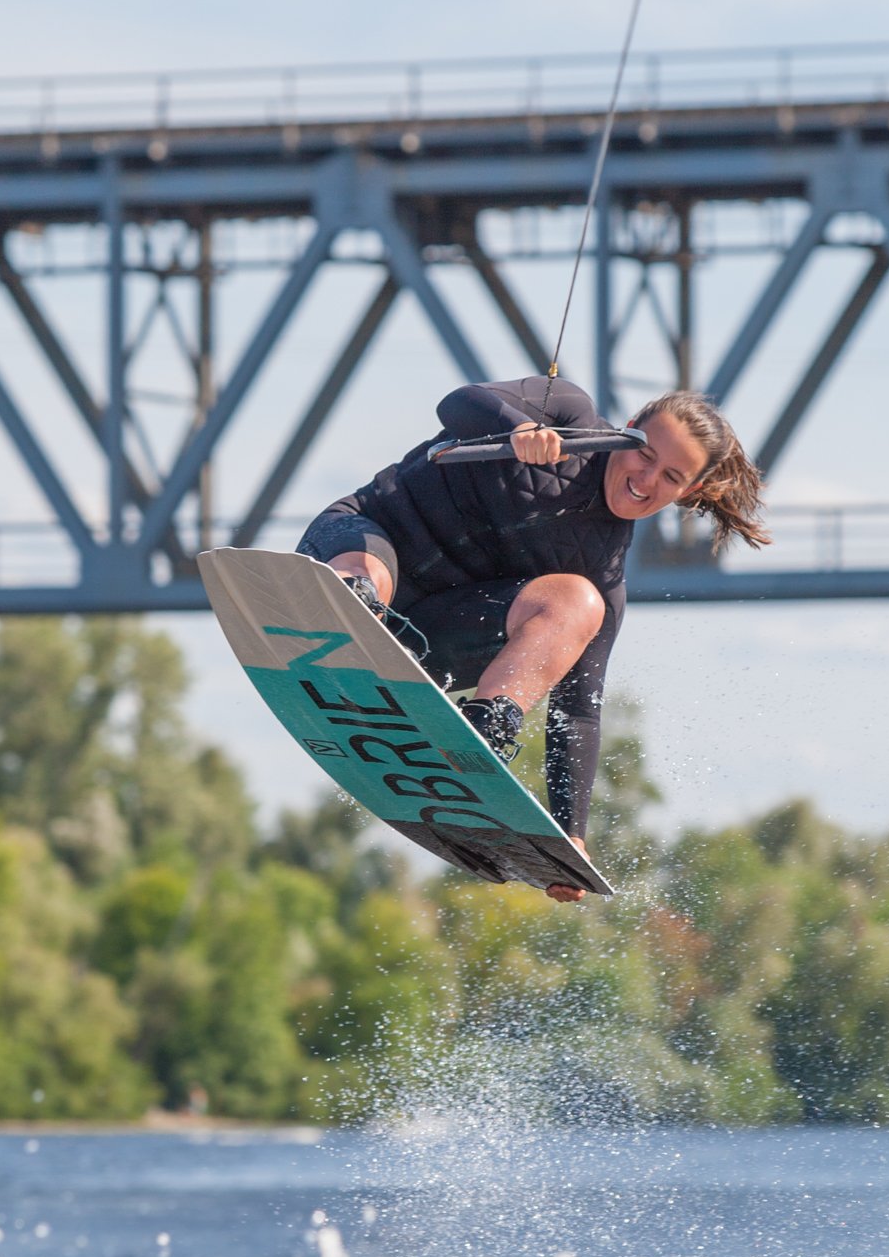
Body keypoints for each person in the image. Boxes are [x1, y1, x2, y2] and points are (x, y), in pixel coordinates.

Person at [296, 376, 769, 903]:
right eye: (645, 454)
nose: (646, 478)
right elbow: (455, 403)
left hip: (424, 638)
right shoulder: (567, 411)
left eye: (672, 476)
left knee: (577, 602)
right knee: (367, 577)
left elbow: (578, 713)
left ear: (691, 491)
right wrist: (518, 428)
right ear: (629, 430)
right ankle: (345, 612)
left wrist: (571, 835)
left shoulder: (605, 581)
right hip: (362, 541)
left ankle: (480, 735)